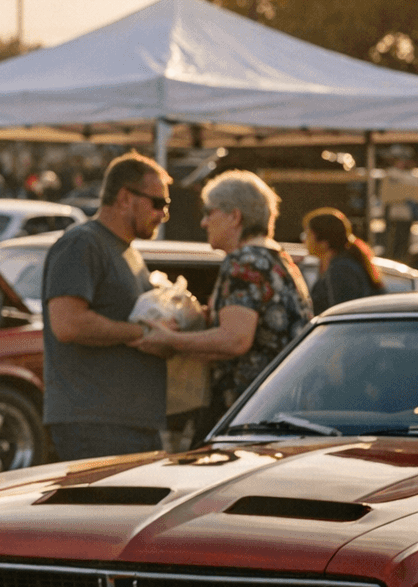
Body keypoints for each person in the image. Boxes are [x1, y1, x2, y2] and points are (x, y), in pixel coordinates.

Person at [135, 170, 313, 423]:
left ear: (234, 216)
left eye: (209, 213)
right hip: (279, 406)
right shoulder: (276, 259)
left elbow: (235, 340)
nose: (204, 223)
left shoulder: (244, 262)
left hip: (248, 413)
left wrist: (171, 340)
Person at [41, 151, 174, 461]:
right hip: (95, 424)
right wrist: (142, 332)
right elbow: (68, 324)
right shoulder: (82, 243)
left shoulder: (128, 251)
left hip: (129, 423)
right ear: (125, 197)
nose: (163, 215)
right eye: (158, 204)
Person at [303, 207, 382, 314]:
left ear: (323, 241)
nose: (304, 240)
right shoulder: (336, 265)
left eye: (308, 234)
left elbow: (342, 314)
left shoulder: (341, 269)